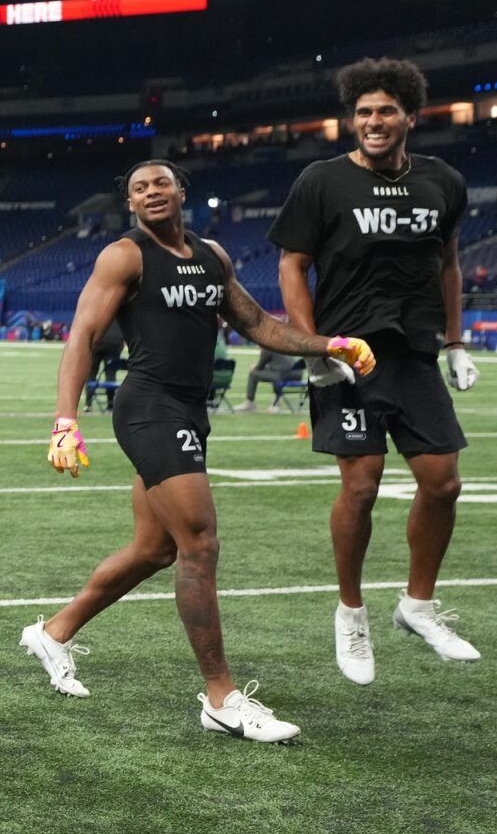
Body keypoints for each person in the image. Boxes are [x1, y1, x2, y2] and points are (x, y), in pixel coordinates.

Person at [21, 160, 375, 743]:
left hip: (190, 411)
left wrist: (326, 344)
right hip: (149, 407)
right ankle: (221, 698)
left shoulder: (212, 255)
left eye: (161, 183)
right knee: (200, 543)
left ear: (182, 191)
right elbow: (82, 335)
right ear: (130, 204)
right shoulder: (125, 256)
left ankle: (53, 633)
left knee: (154, 548)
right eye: (139, 188)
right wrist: (65, 420)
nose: (152, 193)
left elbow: (257, 322)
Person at [269, 57, 480, 683]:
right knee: (360, 488)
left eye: (386, 110)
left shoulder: (443, 181)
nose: (374, 121)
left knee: (443, 483)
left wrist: (456, 343)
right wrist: (314, 348)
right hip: (350, 359)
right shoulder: (322, 180)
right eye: (363, 112)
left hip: (415, 352)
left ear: (410, 116)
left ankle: (416, 606)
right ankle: (351, 613)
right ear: (351, 120)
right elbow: (291, 266)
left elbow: (448, 264)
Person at [236, 348, 302, 412]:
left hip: (283, 375)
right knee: (273, 373)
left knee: (253, 374)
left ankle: (249, 403)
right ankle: (276, 403)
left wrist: (254, 367)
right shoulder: (281, 342)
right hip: (297, 374)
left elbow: (260, 365)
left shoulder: (267, 347)